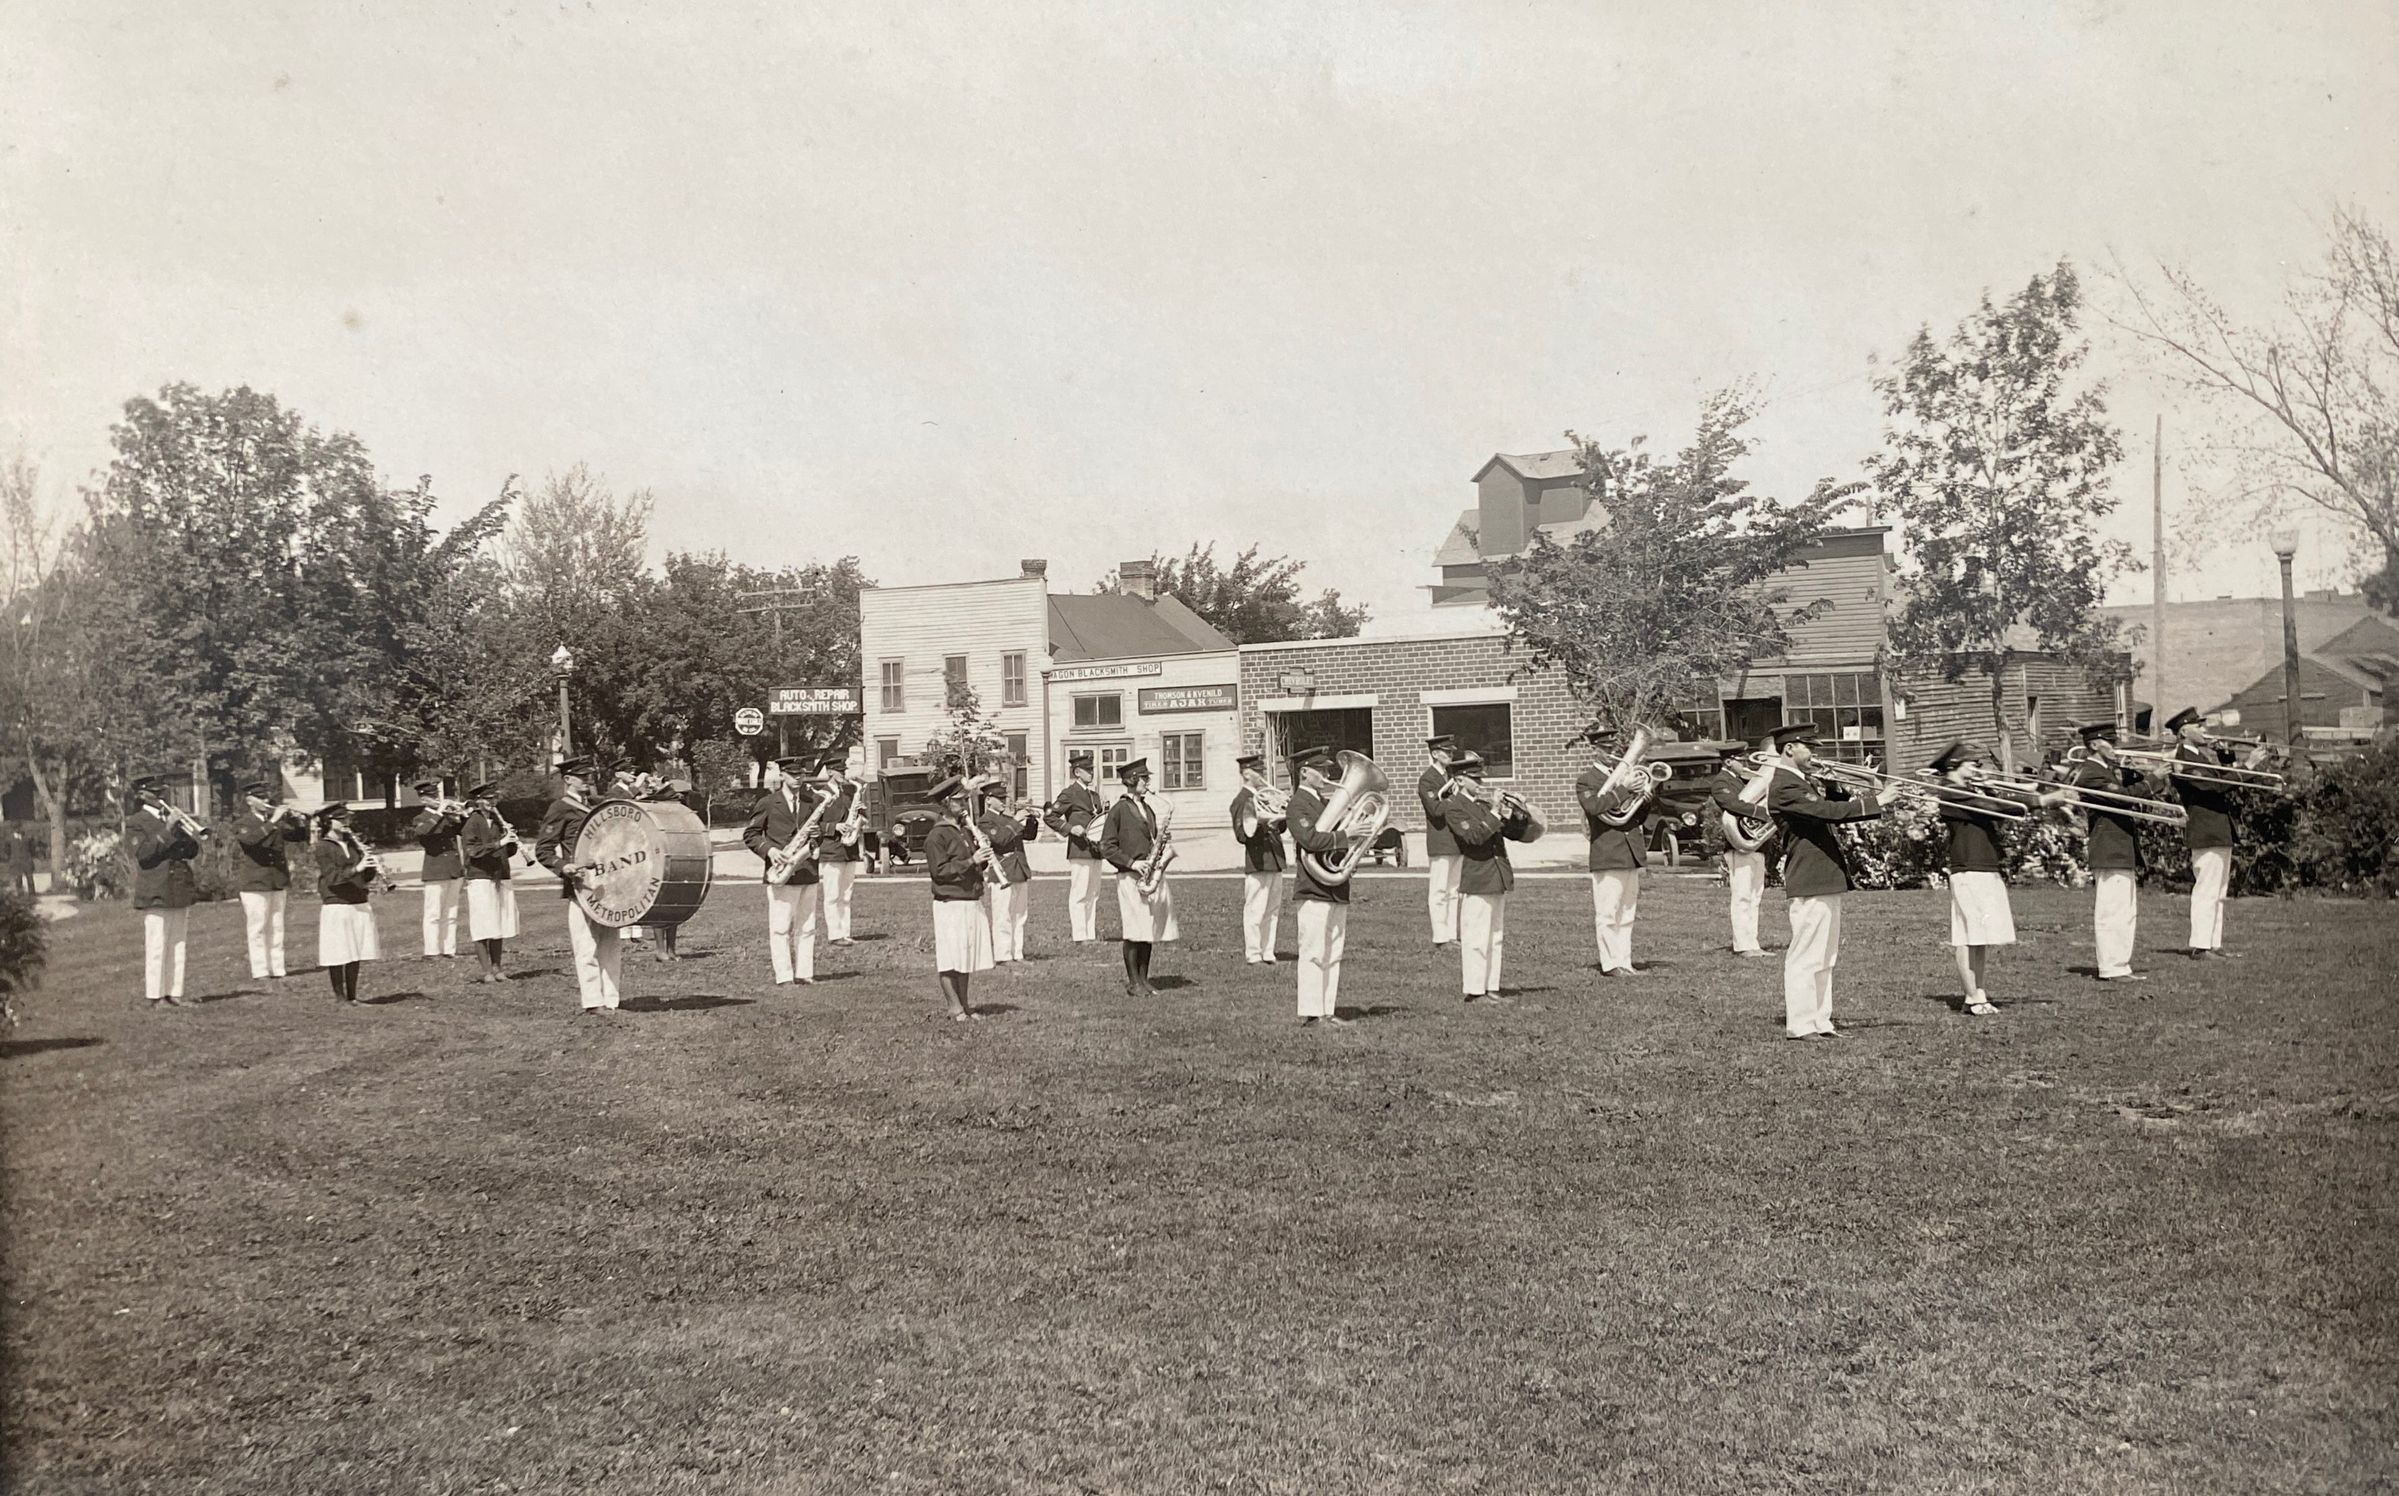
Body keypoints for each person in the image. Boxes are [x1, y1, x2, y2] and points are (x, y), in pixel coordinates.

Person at [1761, 723, 1890, 1040]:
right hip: (1810, 878)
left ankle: (1820, 1020)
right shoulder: (1785, 784)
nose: (1814, 754)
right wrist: (1879, 801)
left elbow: (1826, 810)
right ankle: (1801, 1024)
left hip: (1823, 877)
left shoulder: (1800, 781)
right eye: (1809, 747)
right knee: (1806, 955)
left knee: (1825, 956)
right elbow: (1825, 812)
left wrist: (1833, 785)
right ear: (1789, 749)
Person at [1927, 740, 2070, 1015]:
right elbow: (1995, 807)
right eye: (1972, 764)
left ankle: (1977, 993)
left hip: (1982, 866)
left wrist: (1992, 786)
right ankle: (1972, 997)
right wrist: (2041, 801)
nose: (1977, 768)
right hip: (1969, 869)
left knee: (1980, 936)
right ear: (1955, 765)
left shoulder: (1967, 791)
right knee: (1969, 935)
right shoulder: (1951, 792)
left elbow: (1995, 806)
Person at [1441, 753, 1544, 1004]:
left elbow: (1513, 833)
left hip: (1496, 876)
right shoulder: (1454, 806)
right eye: (1475, 779)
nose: (1481, 783)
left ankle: (1491, 987)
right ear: (1460, 779)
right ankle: (1475, 990)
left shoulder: (1482, 806)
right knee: (1476, 937)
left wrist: (1519, 812)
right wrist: (1496, 811)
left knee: (1495, 936)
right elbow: (1474, 837)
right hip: (1478, 876)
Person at [2067, 722, 2151, 983]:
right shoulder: (2091, 773)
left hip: (2119, 847)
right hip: (2109, 847)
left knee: (2125, 911)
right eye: (2110, 743)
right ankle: (2111, 967)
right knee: (2112, 911)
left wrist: (2137, 773)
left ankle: (2120, 965)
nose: (2116, 747)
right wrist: (2154, 780)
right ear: (2094, 745)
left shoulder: (2106, 770)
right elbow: (2122, 797)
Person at [536, 755, 621, 1015]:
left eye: (589, 776)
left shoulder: (596, 805)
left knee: (610, 942)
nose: (587, 781)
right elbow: (544, 849)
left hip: (607, 880)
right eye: (582, 777)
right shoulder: (560, 807)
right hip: (581, 883)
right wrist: (563, 867)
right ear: (568, 779)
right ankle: (593, 1001)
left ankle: (612, 999)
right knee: (586, 944)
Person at [2165, 707, 2246, 959]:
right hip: (2205, 830)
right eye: (2198, 726)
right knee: (2206, 890)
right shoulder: (2184, 759)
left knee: (2218, 892)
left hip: (2217, 829)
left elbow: (2223, 778)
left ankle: (2214, 943)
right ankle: (2200, 946)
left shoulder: (2199, 756)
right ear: (2184, 732)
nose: (2204, 730)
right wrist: (2249, 766)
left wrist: (2226, 756)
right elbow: (2215, 786)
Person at [1284, 746, 1355, 1027]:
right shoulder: (1297, 805)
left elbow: (1335, 841)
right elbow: (1310, 840)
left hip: (1335, 886)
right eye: (1321, 770)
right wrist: (1347, 834)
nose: (1327, 775)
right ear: (1305, 772)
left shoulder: (1326, 803)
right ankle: (1313, 1013)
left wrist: (1350, 854)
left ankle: (1327, 1010)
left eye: (1327, 769)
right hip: (1313, 887)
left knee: (1333, 952)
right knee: (1313, 952)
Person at [742, 756, 825, 987]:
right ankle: (784, 976)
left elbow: (818, 836)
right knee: (780, 927)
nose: (798, 779)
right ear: (782, 775)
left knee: (807, 926)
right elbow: (751, 834)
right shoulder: (768, 803)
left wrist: (817, 835)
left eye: (801, 774)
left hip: (807, 870)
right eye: (792, 774)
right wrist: (770, 851)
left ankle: (804, 973)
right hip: (781, 871)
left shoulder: (812, 801)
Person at [1575, 730, 1652, 977]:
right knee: (1608, 913)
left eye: (1614, 749)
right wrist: (1625, 790)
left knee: (1627, 913)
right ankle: (1609, 964)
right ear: (1594, 750)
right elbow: (1594, 807)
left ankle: (1625, 962)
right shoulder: (1587, 780)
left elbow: (1634, 816)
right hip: (1608, 852)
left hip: (1630, 851)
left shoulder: (1625, 776)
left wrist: (1645, 799)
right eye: (1606, 749)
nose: (1612, 753)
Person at [1099, 758, 1177, 995]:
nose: (1147, 783)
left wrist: (1160, 841)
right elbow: (1106, 846)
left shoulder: (1147, 808)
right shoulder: (1119, 810)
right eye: (1144, 779)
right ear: (1132, 780)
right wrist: (1132, 863)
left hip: (1148, 875)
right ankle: (1134, 982)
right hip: (1130, 876)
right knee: (1134, 930)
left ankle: (1144, 979)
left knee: (1147, 929)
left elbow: (1148, 836)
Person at [921, 775, 993, 1020]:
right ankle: (954, 1007)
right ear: (946, 803)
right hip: (950, 902)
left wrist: (982, 858)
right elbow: (939, 872)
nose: (964, 805)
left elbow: (971, 865)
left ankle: (965, 1004)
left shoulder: (962, 831)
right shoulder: (937, 836)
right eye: (960, 801)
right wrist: (972, 860)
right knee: (951, 956)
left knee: (965, 955)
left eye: (965, 800)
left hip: (969, 898)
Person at [127, 778, 201, 1008]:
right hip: (156, 888)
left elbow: (192, 851)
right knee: (157, 945)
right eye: (155, 793)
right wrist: (168, 829)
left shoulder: (169, 818)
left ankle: (174, 993)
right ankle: (155, 995)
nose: (161, 797)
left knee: (178, 944)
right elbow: (144, 854)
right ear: (142, 795)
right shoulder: (136, 822)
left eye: (162, 793)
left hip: (178, 886)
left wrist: (187, 832)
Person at [230, 783, 308, 983]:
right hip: (255, 882)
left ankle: (277, 968)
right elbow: (251, 841)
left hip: (276, 880)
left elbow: (298, 836)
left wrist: (298, 821)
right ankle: (260, 970)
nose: (266, 801)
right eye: (261, 798)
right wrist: (274, 820)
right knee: (257, 928)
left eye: (267, 797)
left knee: (277, 926)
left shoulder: (274, 822)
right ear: (250, 801)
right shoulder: (243, 823)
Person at [1708, 742, 1776, 958]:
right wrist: (1765, 813)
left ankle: (1752, 943)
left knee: (1755, 896)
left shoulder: (1744, 780)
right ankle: (1743, 945)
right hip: (1739, 845)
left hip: (1756, 843)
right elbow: (1733, 805)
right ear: (1729, 761)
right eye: (1741, 760)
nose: (1746, 763)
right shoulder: (1721, 782)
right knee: (1742, 896)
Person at [313, 802, 381, 1005]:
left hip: (358, 900)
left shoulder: (352, 844)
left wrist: (370, 867)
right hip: (337, 902)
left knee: (356, 949)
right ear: (329, 822)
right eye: (341, 819)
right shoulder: (323, 846)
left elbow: (364, 877)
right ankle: (340, 997)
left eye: (348, 819)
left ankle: (353, 996)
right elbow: (332, 878)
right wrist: (357, 868)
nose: (346, 823)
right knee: (338, 950)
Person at [458, 782, 521, 984]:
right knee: (482, 924)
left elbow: (506, 852)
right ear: (478, 801)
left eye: (494, 798)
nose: (492, 802)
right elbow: (473, 851)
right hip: (480, 877)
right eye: (487, 799)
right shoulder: (472, 822)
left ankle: (497, 968)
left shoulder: (496, 821)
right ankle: (487, 971)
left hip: (500, 874)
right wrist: (500, 842)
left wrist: (511, 841)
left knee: (498, 923)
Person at [1229, 752, 1288, 964]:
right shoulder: (1241, 800)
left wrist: (1281, 815)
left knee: (1272, 910)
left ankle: (1268, 951)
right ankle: (1253, 953)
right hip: (1258, 860)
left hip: (1274, 859)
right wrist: (1262, 824)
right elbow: (1242, 835)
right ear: (1246, 774)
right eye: (1258, 771)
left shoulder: (1265, 796)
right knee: (1255, 909)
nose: (1262, 774)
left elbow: (1281, 827)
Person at [1043, 752, 1107, 942]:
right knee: (1080, 893)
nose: (1091, 773)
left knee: (1093, 894)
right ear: (1077, 772)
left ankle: (1090, 934)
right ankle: (1080, 935)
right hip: (1079, 850)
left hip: (1095, 850)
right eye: (1087, 770)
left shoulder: (1094, 795)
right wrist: (1070, 828)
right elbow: (1050, 816)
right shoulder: (1069, 793)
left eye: (1092, 769)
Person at [976, 780, 1038, 964]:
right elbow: (1001, 839)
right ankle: (1003, 955)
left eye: (1005, 797)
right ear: (988, 800)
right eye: (1000, 798)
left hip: (1019, 869)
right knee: (1003, 916)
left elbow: (1029, 835)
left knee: (1019, 915)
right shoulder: (985, 821)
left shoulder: (1007, 818)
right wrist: (1016, 820)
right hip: (1001, 872)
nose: (1004, 801)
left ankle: (1017, 953)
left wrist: (1031, 819)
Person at [405, 778, 466, 961]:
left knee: (451, 912)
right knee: (433, 913)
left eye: (437, 795)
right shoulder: (421, 818)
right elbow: (423, 832)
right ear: (423, 799)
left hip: (453, 868)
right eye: (432, 797)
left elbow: (464, 831)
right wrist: (439, 812)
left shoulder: (447, 817)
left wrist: (463, 814)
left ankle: (449, 950)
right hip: (435, 870)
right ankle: (431, 951)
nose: (437, 799)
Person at [1417, 733, 1463, 949]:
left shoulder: (1450, 775)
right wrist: (1457, 799)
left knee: (1454, 891)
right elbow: (1435, 809)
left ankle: (1452, 934)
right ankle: (1440, 937)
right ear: (1435, 754)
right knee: (1439, 891)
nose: (1451, 755)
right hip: (1440, 840)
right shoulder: (1427, 779)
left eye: (1452, 751)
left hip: (1456, 840)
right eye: (1446, 752)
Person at [815, 755, 866, 944]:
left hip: (849, 850)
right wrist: (834, 827)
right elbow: (813, 824)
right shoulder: (821, 794)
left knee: (846, 894)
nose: (844, 773)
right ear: (830, 772)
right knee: (832, 895)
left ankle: (845, 933)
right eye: (840, 771)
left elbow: (859, 817)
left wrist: (861, 811)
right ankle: (835, 934)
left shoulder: (849, 793)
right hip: (832, 849)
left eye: (844, 770)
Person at [5, 821, 33, 895]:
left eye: (19, 827)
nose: (18, 829)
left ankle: (32, 894)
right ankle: (20, 894)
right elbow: (7, 850)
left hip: (26, 860)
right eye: (16, 828)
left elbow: (31, 848)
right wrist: (12, 858)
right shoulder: (9, 839)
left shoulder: (26, 838)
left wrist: (29, 857)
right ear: (13, 829)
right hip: (16, 861)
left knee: (30, 878)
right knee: (18, 879)